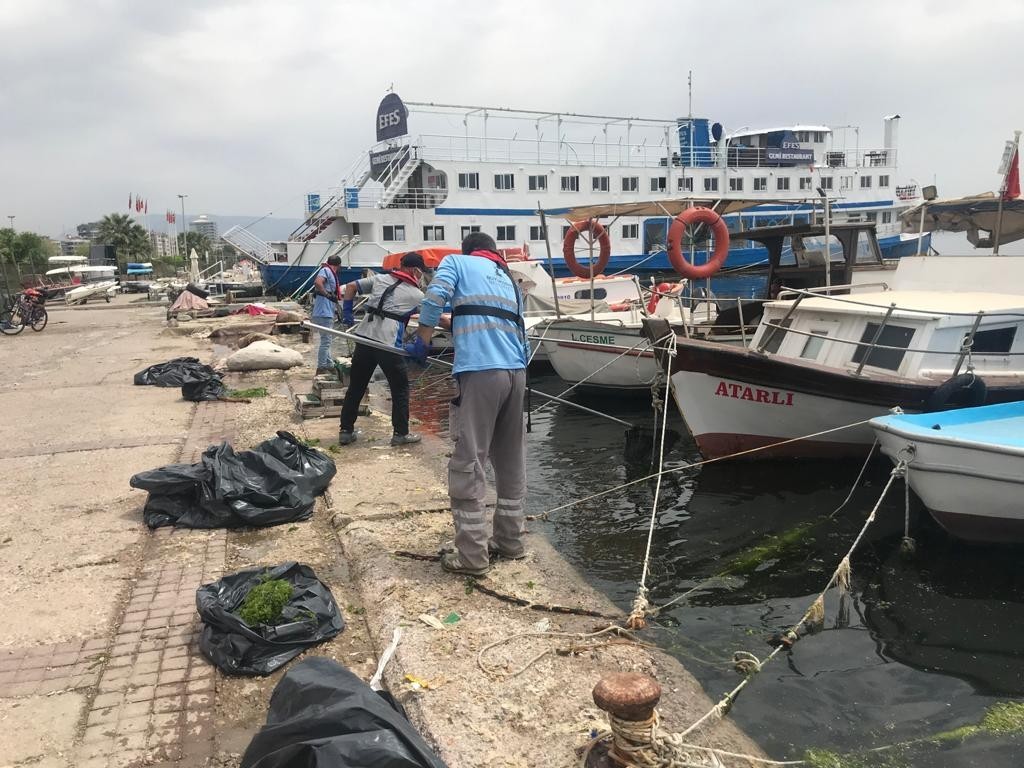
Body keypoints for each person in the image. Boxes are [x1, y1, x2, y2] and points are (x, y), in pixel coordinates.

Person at [411, 232, 529, 576]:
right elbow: (513, 326)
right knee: (510, 461)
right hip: (516, 374)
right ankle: (510, 542)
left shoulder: (456, 262)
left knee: (468, 461)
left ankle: (472, 558)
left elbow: (434, 296)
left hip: (479, 372)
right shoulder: (508, 276)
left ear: (468, 251)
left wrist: (423, 338)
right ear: (492, 252)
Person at [337, 252, 428, 447]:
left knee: (357, 385)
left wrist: (347, 310)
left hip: (364, 338)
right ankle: (401, 434)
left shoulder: (380, 278)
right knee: (400, 388)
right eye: (421, 273)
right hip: (387, 344)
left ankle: (346, 431)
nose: (421, 277)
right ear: (415, 270)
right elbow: (430, 317)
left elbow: (351, 287)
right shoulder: (417, 295)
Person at [311, 255, 342, 375]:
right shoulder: (326, 270)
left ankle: (329, 365)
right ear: (338, 266)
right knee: (326, 341)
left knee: (327, 340)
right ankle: (321, 367)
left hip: (325, 311)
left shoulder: (328, 271)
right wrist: (327, 294)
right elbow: (318, 283)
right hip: (323, 312)